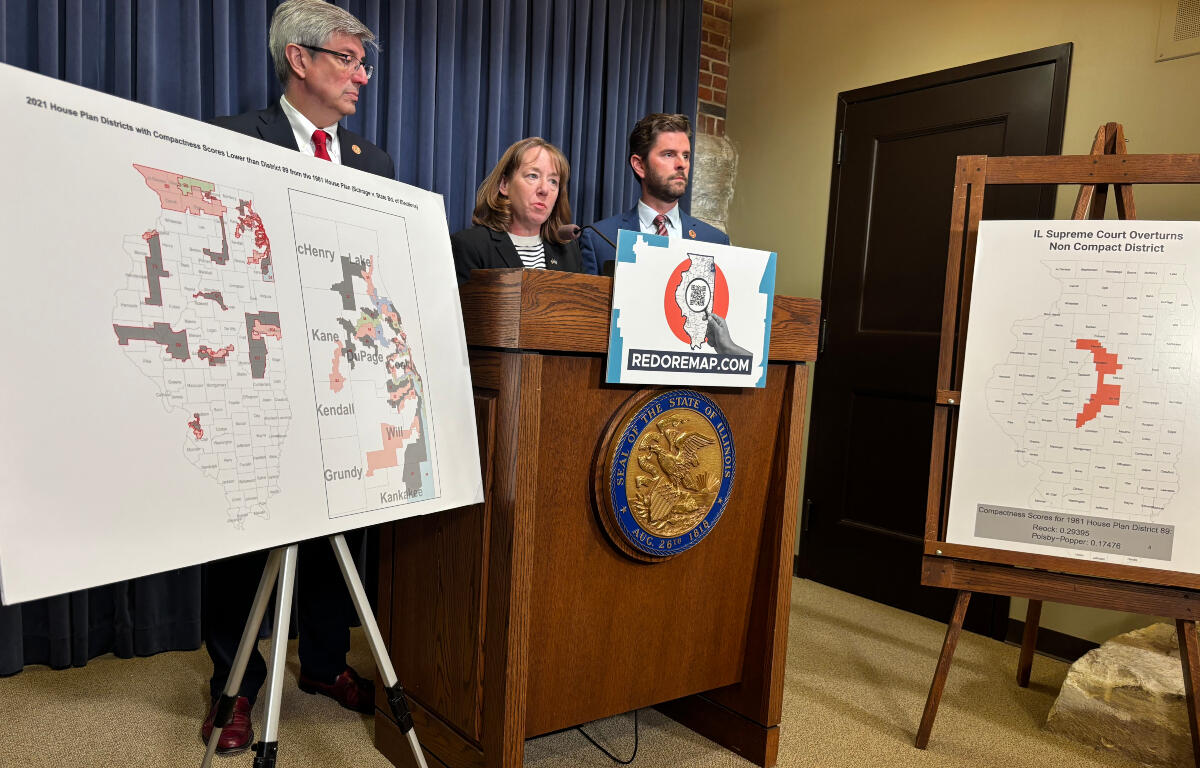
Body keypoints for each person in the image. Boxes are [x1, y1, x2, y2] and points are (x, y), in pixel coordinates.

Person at [202, 0, 392, 753]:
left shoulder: (372, 162)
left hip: (341, 376)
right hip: (256, 371)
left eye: (364, 63)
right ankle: (234, 687)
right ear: (300, 60)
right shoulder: (234, 140)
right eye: (348, 59)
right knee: (244, 532)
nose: (362, 76)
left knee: (332, 527)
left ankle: (323, 663)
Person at [579, 113, 729, 276]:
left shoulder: (715, 241)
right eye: (669, 154)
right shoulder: (599, 239)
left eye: (685, 155)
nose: (681, 164)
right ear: (639, 165)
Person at [451, 137, 584, 285]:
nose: (544, 189)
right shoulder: (470, 246)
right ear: (505, 185)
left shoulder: (569, 250)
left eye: (553, 181)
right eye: (533, 176)